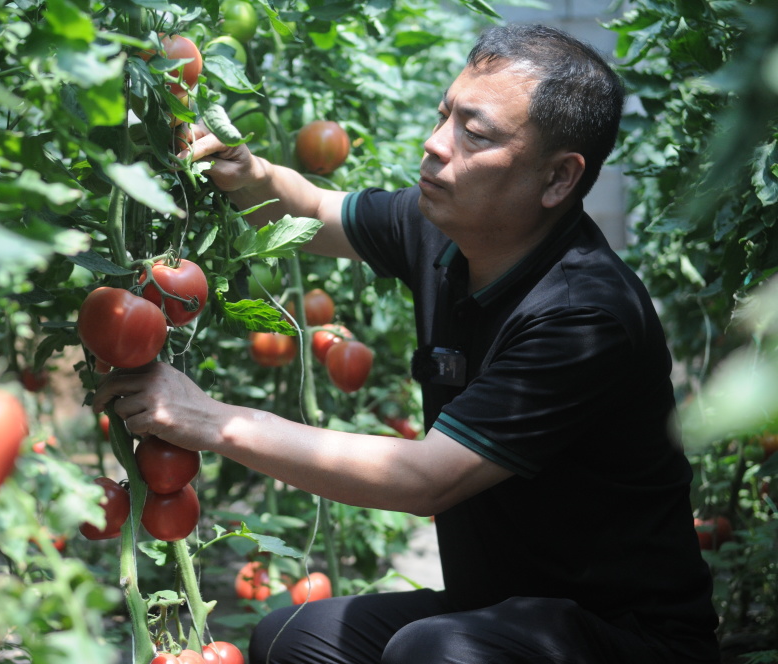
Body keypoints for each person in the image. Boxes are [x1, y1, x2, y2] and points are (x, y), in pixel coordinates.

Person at [94, 23, 721, 664]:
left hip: (625, 637)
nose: (434, 144)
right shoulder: (441, 228)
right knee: (290, 639)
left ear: (558, 179)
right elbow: (311, 210)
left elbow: (424, 480)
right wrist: (248, 173)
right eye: (444, 114)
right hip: (498, 607)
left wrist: (212, 421)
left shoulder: (583, 314)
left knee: (433, 652)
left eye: (474, 133)